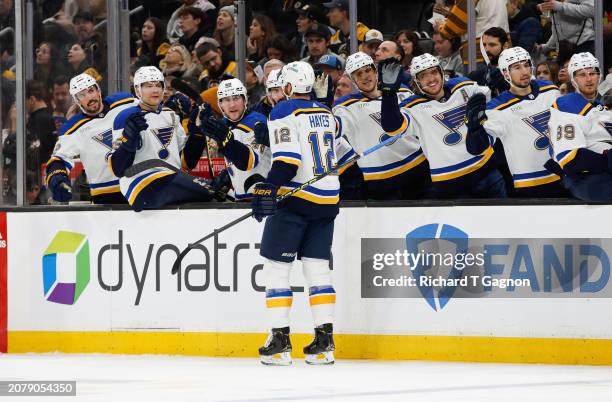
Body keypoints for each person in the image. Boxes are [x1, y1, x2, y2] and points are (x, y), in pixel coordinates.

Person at [250, 61, 339, 365]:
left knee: (277, 268)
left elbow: (287, 163)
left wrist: (267, 186)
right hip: (328, 199)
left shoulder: (283, 111)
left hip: (298, 198)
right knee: (318, 268)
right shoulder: (327, 111)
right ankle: (325, 343)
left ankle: (279, 342)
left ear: (287, 88)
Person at [379, 54, 506, 199]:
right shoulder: (412, 107)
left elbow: (495, 98)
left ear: (441, 72)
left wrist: (498, 83)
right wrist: (388, 94)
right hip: (451, 184)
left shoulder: (463, 86)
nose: (431, 79)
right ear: (416, 81)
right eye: (423, 75)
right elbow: (392, 127)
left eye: (434, 72)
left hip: (488, 174)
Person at [108, 66, 215, 211]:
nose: (155, 90)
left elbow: (187, 161)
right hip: (142, 186)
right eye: (148, 85)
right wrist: (128, 141)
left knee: (212, 191)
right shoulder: (126, 117)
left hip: (171, 181)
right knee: (209, 189)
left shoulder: (170, 115)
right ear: (138, 90)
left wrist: (197, 133)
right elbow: (118, 169)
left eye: (158, 85)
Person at [464, 47, 565, 197]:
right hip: (529, 183)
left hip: (564, 177)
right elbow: (476, 148)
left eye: (526, 65)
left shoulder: (550, 90)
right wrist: (474, 128)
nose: (525, 72)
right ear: (505, 73)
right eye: (517, 67)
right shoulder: (496, 108)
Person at [333, 52, 430, 200]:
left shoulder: (402, 91)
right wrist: (324, 104)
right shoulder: (345, 106)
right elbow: (334, 129)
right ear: (353, 80)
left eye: (368, 70)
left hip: (417, 168)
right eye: (359, 74)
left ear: (375, 70)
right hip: (381, 179)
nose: (365, 76)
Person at [45, 73, 137, 204]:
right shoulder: (72, 128)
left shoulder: (125, 102)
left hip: (139, 185)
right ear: (76, 100)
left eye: (91, 91)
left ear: (98, 90)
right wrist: (58, 181)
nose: (90, 97)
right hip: (106, 195)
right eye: (82, 95)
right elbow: (58, 160)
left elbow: (149, 109)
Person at [548, 52, 612, 202]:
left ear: (599, 76)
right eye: (582, 75)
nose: (589, 79)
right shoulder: (566, 105)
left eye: (592, 73)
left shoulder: (603, 106)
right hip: (585, 177)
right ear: (573, 79)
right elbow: (571, 161)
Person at [199, 78, 270, 201]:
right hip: (241, 200)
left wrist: (226, 140)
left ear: (244, 100)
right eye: (226, 100)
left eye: (236, 98)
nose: (232, 105)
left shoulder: (257, 122)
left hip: (265, 199)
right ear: (220, 104)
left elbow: (248, 162)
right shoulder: (224, 125)